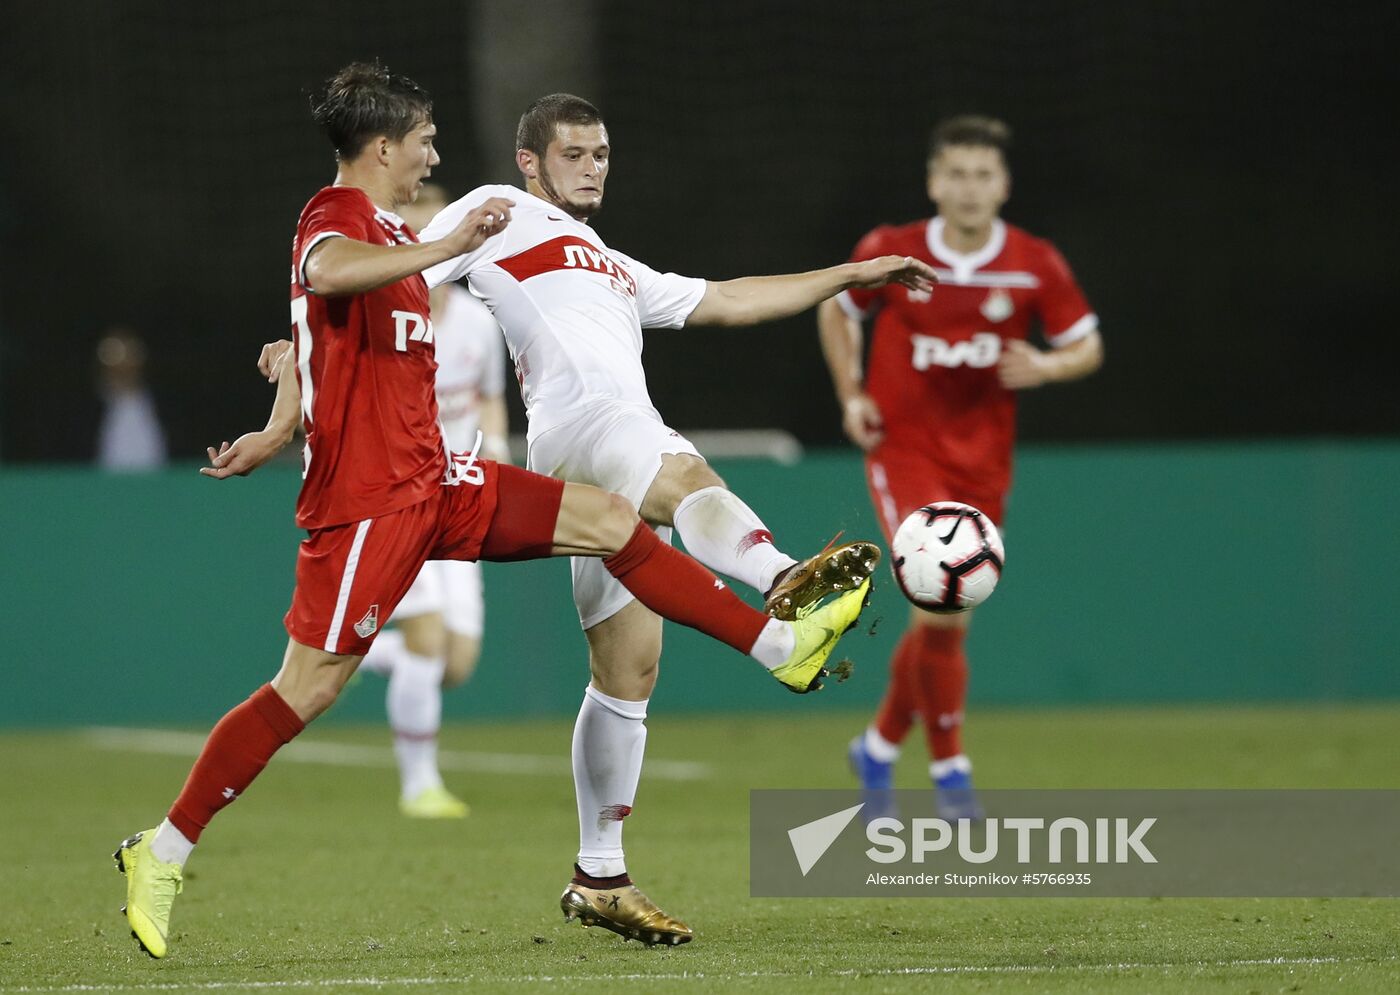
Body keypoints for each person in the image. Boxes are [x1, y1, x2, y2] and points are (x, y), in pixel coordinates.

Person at [113, 62, 873, 960]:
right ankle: (163, 849)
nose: (435, 154)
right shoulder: (342, 216)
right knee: (308, 686)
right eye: (424, 139)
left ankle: (778, 645)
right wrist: (427, 261)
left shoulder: (408, 240)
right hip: (369, 502)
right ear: (383, 147)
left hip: (439, 479)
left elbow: (317, 336)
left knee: (612, 522)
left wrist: (282, 412)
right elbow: (326, 275)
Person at [409, 93, 939, 945]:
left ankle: (599, 874)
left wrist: (848, 275)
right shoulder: (495, 209)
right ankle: (782, 579)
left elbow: (729, 298)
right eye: (574, 153)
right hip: (589, 426)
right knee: (683, 468)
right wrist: (310, 357)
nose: (593, 168)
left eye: (602, 154)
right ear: (530, 162)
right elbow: (408, 273)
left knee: (627, 670)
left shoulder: (615, 265)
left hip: (589, 458)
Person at [818, 115, 1104, 819]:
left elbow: (1087, 345)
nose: (970, 188)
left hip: (983, 460)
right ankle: (950, 768)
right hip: (904, 449)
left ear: (1004, 185)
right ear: (933, 182)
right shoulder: (892, 251)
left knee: (946, 618)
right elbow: (839, 309)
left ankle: (878, 748)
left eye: (983, 175)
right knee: (941, 606)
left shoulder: (1033, 263)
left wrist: (1048, 365)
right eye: (957, 174)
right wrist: (852, 394)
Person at [354, 182, 512, 819]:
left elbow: (489, 396)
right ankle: (419, 786)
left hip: (462, 495)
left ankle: (351, 649)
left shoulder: (479, 321)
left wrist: (496, 447)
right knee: (426, 638)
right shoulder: (380, 318)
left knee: (456, 661)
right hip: (400, 493)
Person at [95, 328, 167, 470]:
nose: (123, 367)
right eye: (112, 356)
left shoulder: (163, 405)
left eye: (129, 356)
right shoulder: (84, 413)